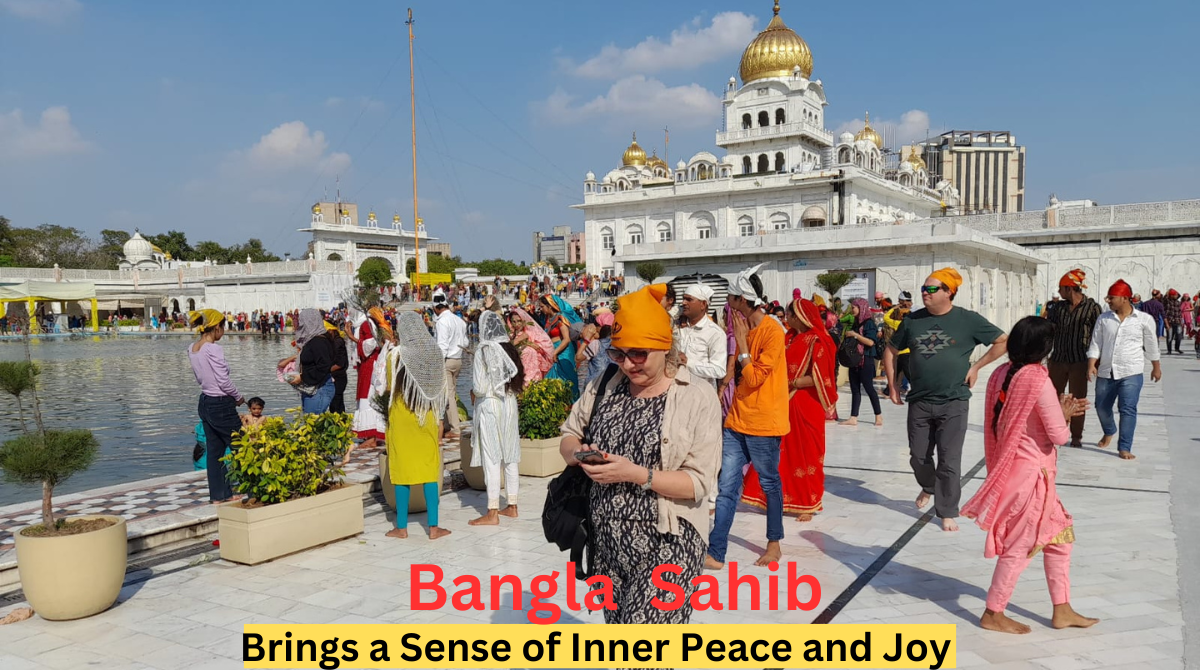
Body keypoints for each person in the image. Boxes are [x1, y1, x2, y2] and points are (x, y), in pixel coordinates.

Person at [559, 285, 720, 624]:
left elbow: (698, 483)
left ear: (665, 347)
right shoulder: (606, 383)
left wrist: (639, 475)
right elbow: (570, 433)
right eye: (619, 354)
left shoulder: (697, 396)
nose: (628, 364)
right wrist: (579, 454)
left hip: (669, 539)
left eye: (639, 354)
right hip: (609, 544)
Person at [960, 316, 1099, 635]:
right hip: (1031, 479)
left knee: (1061, 537)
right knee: (1021, 545)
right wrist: (1064, 414)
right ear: (1045, 349)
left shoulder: (1000, 373)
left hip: (1019, 472)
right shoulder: (1037, 378)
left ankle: (1062, 608)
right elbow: (1060, 436)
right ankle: (993, 612)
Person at [884, 267, 1008, 532]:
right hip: (919, 400)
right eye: (923, 289)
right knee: (918, 457)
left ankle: (947, 510)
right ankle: (929, 486)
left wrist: (976, 367)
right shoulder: (912, 321)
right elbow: (891, 350)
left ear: (949, 292)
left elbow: (1002, 341)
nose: (924, 294)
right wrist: (892, 384)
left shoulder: (967, 320)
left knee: (950, 460)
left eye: (931, 289)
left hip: (954, 401)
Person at [707, 262, 789, 569]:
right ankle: (716, 552)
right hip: (737, 420)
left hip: (764, 424)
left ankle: (774, 543)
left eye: (731, 297)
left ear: (743, 300)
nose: (727, 303)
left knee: (770, 484)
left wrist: (742, 347)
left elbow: (754, 378)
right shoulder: (743, 327)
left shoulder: (772, 332)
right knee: (727, 487)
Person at [741, 298, 837, 522]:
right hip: (783, 402)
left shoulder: (818, 341)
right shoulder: (789, 337)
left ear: (800, 316)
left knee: (807, 453)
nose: (787, 317)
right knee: (782, 452)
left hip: (805, 404)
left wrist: (792, 383)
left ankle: (808, 503)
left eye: (791, 314)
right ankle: (778, 498)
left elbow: (819, 377)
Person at [384, 312, 451, 540]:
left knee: (402, 471)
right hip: (427, 415)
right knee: (429, 470)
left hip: (402, 417)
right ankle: (433, 528)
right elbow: (440, 388)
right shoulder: (434, 353)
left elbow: (390, 386)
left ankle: (401, 528)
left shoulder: (395, 355)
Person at [1087, 279, 1162, 460]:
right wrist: (1091, 364)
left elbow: (1151, 345)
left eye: (1112, 297)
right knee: (1101, 407)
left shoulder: (1144, 320)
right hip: (1106, 371)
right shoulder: (1104, 319)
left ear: (1124, 299)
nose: (1108, 301)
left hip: (1131, 372)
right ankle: (1109, 430)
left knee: (1127, 409)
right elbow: (1096, 343)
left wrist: (1156, 368)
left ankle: (1124, 447)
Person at [468, 311, 524, 526]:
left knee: (492, 457)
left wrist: (474, 392)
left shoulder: (483, 350)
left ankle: (492, 511)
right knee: (510, 454)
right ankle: (512, 505)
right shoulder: (509, 349)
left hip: (490, 404)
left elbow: (480, 387)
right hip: (509, 403)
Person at [187, 309, 246, 503]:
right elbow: (223, 381)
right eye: (223, 326)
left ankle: (220, 495)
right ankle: (257, 489)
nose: (224, 331)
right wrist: (238, 397)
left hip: (205, 401)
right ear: (217, 327)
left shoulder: (193, 348)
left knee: (215, 451)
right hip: (221, 404)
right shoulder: (213, 349)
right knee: (242, 446)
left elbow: (199, 378)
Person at [1044, 269, 1101, 448]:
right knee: (1052, 397)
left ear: (1069, 289)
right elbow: (1049, 332)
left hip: (1080, 361)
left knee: (1078, 399)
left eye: (1061, 288)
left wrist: (1095, 361)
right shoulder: (1057, 308)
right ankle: (1053, 430)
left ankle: (1076, 436)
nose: (1059, 292)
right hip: (1058, 359)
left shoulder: (1092, 308)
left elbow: (1098, 335)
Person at [352, 307, 393, 450]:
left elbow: (369, 345)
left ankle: (371, 437)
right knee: (375, 397)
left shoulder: (366, 324)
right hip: (376, 363)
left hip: (370, 365)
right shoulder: (379, 324)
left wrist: (354, 340)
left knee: (367, 398)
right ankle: (375, 435)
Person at [839, 297, 883, 427]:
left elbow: (871, 342)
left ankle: (878, 415)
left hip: (866, 360)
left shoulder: (869, 323)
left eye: (854, 307)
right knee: (855, 389)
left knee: (869, 388)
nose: (852, 309)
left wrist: (855, 335)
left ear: (861, 308)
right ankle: (853, 417)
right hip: (855, 360)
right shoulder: (856, 323)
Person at [677, 284, 728, 390]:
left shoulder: (715, 333)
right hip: (677, 391)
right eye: (683, 298)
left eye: (689, 299)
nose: (683, 303)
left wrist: (688, 363)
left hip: (702, 394)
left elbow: (719, 370)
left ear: (703, 304)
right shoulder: (678, 326)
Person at [433, 295, 469, 439]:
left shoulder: (442, 322)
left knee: (448, 396)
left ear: (436, 308)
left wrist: (437, 364)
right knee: (451, 393)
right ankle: (448, 425)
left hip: (447, 361)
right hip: (458, 359)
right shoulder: (458, 320)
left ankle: (455, 429)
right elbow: (465, 342)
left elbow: (442, 346)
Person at [287, 309, 336, 414]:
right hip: (313, 388)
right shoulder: (314, 340)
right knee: (311, 423)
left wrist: (302, 377)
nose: (300, 326)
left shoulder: (318, 342)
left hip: (319, 390)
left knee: (313, 423)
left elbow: (323, 365)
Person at [540, 295, 582, 399]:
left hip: (564, 351)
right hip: (554, 350)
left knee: (566, 378)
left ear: (549, 306)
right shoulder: (548, 319)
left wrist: (555, 352)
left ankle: (571, 404)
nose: (541, 309)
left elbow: (566, 339)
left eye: (542, 306)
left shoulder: (560, 318)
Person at [327, 320, 350, 414]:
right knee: (334, 403)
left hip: (338, 377)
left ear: (331, 331)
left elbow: (340, 363)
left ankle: (339, 423)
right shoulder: (333, 341)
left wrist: (326, 370)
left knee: (337, 403)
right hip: (335, 377)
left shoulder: (337, 342)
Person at [1164, 289, 1184, 355]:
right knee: (1169, 337)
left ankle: (1177, 348)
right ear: (1171, 295)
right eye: (1175, 295)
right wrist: (1169, 291)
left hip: (1177, 321)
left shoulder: (1178, 302)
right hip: (1170, 322)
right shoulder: (1167, 301)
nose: (1176, 295)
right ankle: (1169, 350)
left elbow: (1179, 312)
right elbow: (1164, 298)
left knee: (1179, 336)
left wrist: (1181, 320)